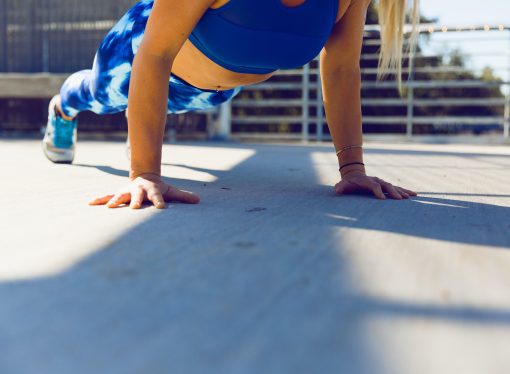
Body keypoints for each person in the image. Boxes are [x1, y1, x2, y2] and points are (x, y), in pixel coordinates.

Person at [42, 0, 419, 209]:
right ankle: (62, 109)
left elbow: (340, 69)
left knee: (160, 108)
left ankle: (140, 130)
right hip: (136, 56)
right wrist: (146, 173)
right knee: (97, 94)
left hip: (212, 92)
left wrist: (352, 168)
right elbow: (155, 55)